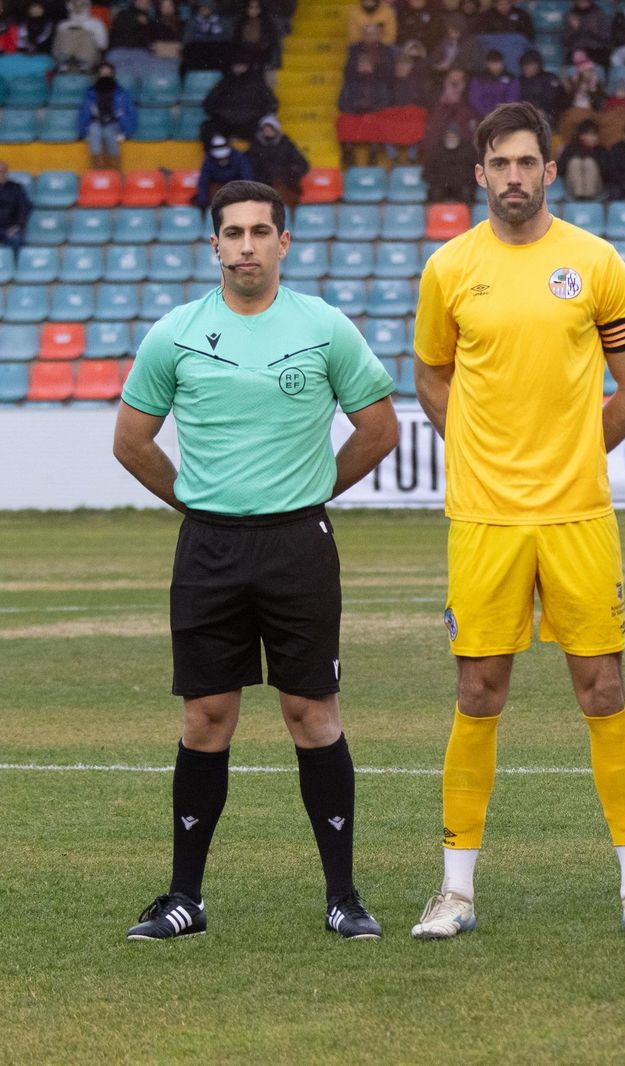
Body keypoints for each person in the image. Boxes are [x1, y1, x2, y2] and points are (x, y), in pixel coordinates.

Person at [113, 178, 399, 943]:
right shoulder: (175, 332)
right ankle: (184, 898)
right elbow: (131, 442)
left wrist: (311, 492)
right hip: (209, 547)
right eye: (232, 233)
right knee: (207, 717)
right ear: (214, 245)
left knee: (312, 714)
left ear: (284, 243)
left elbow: (378, 428)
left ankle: (344, 897)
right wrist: (197, 502)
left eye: (259, 232)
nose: (246, 245)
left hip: (298, 545)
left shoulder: (324, 326)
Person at [409, 102, 625, 940]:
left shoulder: (595, 264)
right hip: (484, 519)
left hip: (576, 516)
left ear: (550, 171)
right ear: (479, 173)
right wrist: (484, 452)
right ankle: (454, 892)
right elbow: (430, 377)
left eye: (528, 163)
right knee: (478, 692)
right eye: (500, 164)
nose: (514, 177)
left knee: (603, 689)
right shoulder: (448, 268)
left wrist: (572, 454)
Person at [78, 61, 138, 170]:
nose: (105, 76)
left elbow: (130, 113)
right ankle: (98, 170)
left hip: (114, 123)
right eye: (102, 74)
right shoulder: (90, 92)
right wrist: (82, 131)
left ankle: (115, 171)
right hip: (96, 122)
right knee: (94, 131)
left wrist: (127, 131)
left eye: (108, 74)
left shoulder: (122, 93)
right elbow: (84, 113)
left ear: (112, 75)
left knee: (109, 132)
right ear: (98, 75)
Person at [204, 59, 280, 140]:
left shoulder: (257, 83)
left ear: (247, 66)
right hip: (227, 123)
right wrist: (221, 115)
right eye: (236, 65)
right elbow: (209, 102)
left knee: (266, 130)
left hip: (250, 124)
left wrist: (257, 116)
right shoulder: (225, 82)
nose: (238, 67)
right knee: (207, 128)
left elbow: (272, 103)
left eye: (241, 65)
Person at [247, 115, 310, 205]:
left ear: (276, 129)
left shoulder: (286, 144)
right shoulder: (255, 147)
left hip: (286, 184)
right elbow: (251, 168)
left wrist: (289, 173)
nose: (267, 131)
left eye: (270, 129)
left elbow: (303, 165)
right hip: (263, 187)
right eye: (265, 129)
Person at [195, 134, 255, 209]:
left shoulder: (239, 158)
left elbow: (247, 178)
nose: (222, 160)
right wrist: (202, 200)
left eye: (224, 158)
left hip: (237, 192)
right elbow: (203, 181)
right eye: (219, 158)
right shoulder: (208, 161)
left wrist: (245, 198)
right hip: (217, 194)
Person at [423, 124, 477, 202]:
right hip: (441, 185)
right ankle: (436, 214)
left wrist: (464, 181)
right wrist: (441, 181)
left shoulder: (468, 150)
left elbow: (476, 170)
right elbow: (426, 172)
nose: (451, 138)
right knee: (435, 193)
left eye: (454, 136)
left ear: (459, 137)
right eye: (449, 136)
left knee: (467, 193)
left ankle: (467, 214)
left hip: (462, 185)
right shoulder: (436, 150)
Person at [557, 118, 606, 200]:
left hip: (596, 188)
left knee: (589, 163)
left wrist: (591, 156)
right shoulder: (571, 149)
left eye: (593, 135)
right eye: (588, 135)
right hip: (572, 189)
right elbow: (561, 169)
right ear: (581, 135)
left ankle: (588, 195)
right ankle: (579, 195)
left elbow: (606, 172)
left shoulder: (600, 150)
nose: (591, 138)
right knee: (575, 162)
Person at [519, 52, 567, 122]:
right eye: (524, 65)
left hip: (546, 113)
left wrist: (541, 109)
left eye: (530, 65)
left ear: (539, 65)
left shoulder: (549, 78)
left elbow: (553, 100)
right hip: (524, 112)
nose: (527, 67)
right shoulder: (520, 80)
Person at [469, 51, 520, 116]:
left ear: (502, 63)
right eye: (492, 63)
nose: (496, 66)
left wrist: (501, 114)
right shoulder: (479, 79)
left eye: (498, 63)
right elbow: (475, 100)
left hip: (504, 115)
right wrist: (485, 113)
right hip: (482, 115)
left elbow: (512, 99)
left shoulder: (511, 79)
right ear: (487, 64)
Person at [0, 159, 32, 257]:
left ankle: (14, 268)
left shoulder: (16, 188)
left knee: (16, 239)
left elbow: (24, 208)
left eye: (3, 171)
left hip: (10, 228)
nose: (1, 174)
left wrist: (18, 226)